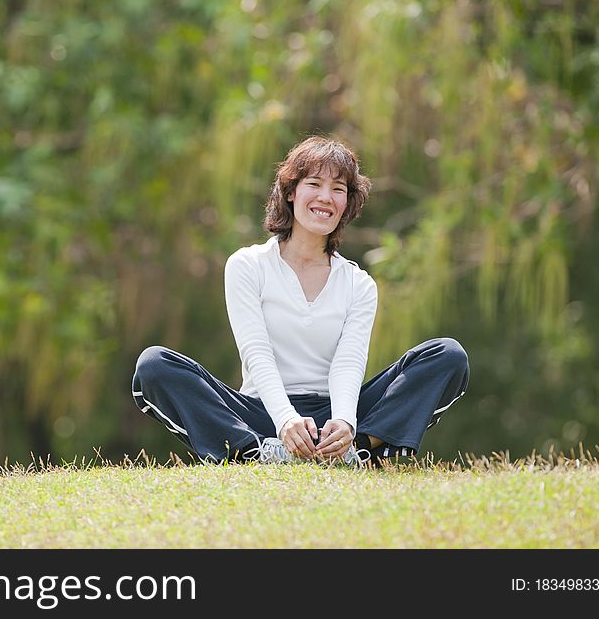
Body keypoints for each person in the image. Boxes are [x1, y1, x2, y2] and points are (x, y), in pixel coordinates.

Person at [131, 135, 469, 466]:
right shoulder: (248, 265)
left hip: (334, 414)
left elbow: (348, 363)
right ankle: (257, 452)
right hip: (262, 415)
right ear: (291, 192)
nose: (326, 197)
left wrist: (345, 423)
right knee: (154, 365)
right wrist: (285, 420)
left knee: (447, 356)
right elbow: (256, 353)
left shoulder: (358, 283)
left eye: (338, 189)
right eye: (315, 184)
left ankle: (357, 450)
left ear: (346, 204)